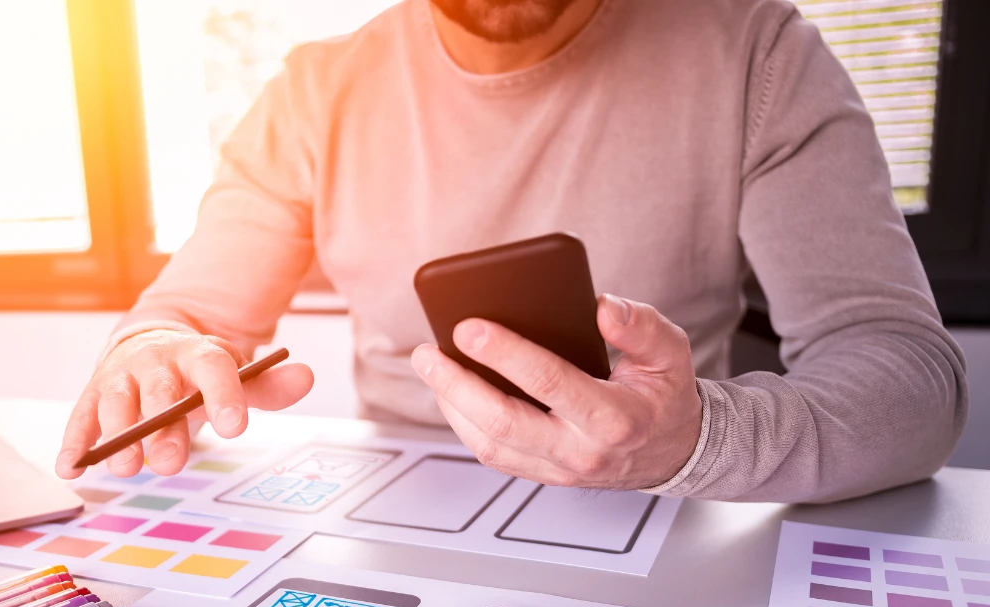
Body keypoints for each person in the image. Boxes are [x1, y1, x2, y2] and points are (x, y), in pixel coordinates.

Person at [55, 0, 968, 503]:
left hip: (670, 511)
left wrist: (698, 442)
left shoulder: (760, 52)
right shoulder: (313, 91)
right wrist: (151, 348)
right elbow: (193, 312)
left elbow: (910, 382)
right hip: (401, 518)